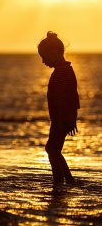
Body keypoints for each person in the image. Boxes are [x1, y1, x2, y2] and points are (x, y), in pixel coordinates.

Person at [38, 31, 80, 184]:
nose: (43, 61)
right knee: (53, 149)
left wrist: (65, 119)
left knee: (52, 149)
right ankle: (67, 179)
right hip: (61, 118)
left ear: (54, 52)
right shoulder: (65, 70)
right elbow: (73, 98)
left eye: (44, 57)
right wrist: (71, 118)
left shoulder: (62, 72)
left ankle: (60, 179)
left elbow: (68, 98)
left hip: (60, 119)